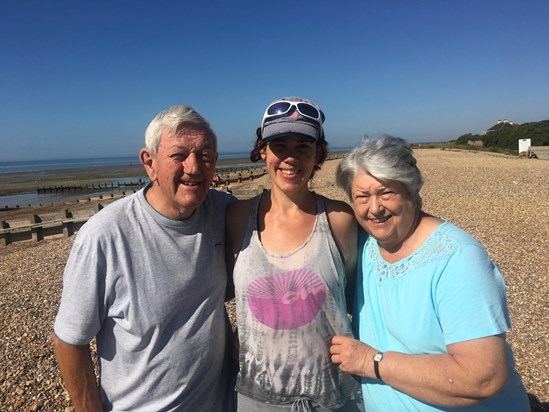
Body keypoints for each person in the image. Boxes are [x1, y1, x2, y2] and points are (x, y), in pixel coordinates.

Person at [53, 105, 236, 411]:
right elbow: (70, 341)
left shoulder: (225, 212)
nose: (194, 167)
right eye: (179, 155)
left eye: (205, 155)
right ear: (149, 163)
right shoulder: (105, 236)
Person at [330, 135, 530, 411]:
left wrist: (370, 361)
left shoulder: (457, 259)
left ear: (412, 192)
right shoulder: (366, 247)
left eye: (386, 192)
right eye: (362, 196)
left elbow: (482, 378)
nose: (374, 208)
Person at [226, 96, 363, 411]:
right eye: (279, 146)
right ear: (262, 151)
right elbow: (212, 292)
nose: (290, 157)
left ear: (319, 154)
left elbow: (356, 300)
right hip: (257, 397)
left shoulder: (340, 219)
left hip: (334, 396)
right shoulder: (235, 219)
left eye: (303, 146)